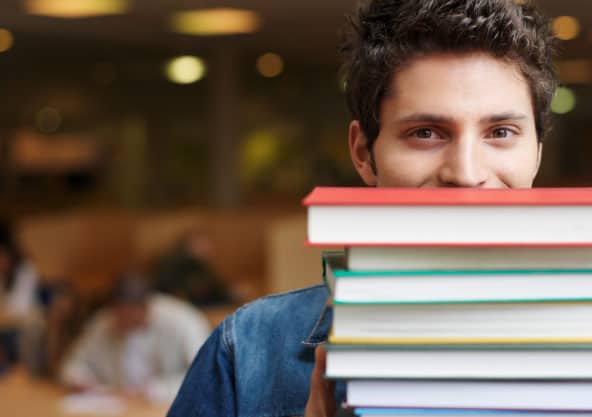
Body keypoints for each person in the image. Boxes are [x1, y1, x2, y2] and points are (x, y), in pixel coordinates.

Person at [167, 0, 558, 416]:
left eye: (500, 132)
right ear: (363, 153)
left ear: (536, 153)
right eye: (425, 132)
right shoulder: (246, 350)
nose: (465, 173)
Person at [59, 274, 211, 404]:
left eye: (129, 316)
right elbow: (72, 364)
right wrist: (81, 380)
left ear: (146, 307)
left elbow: (208, 378)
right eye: (118, 314)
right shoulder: (104, 322)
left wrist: (157, 390)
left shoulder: (184, 322)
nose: (122, 321)